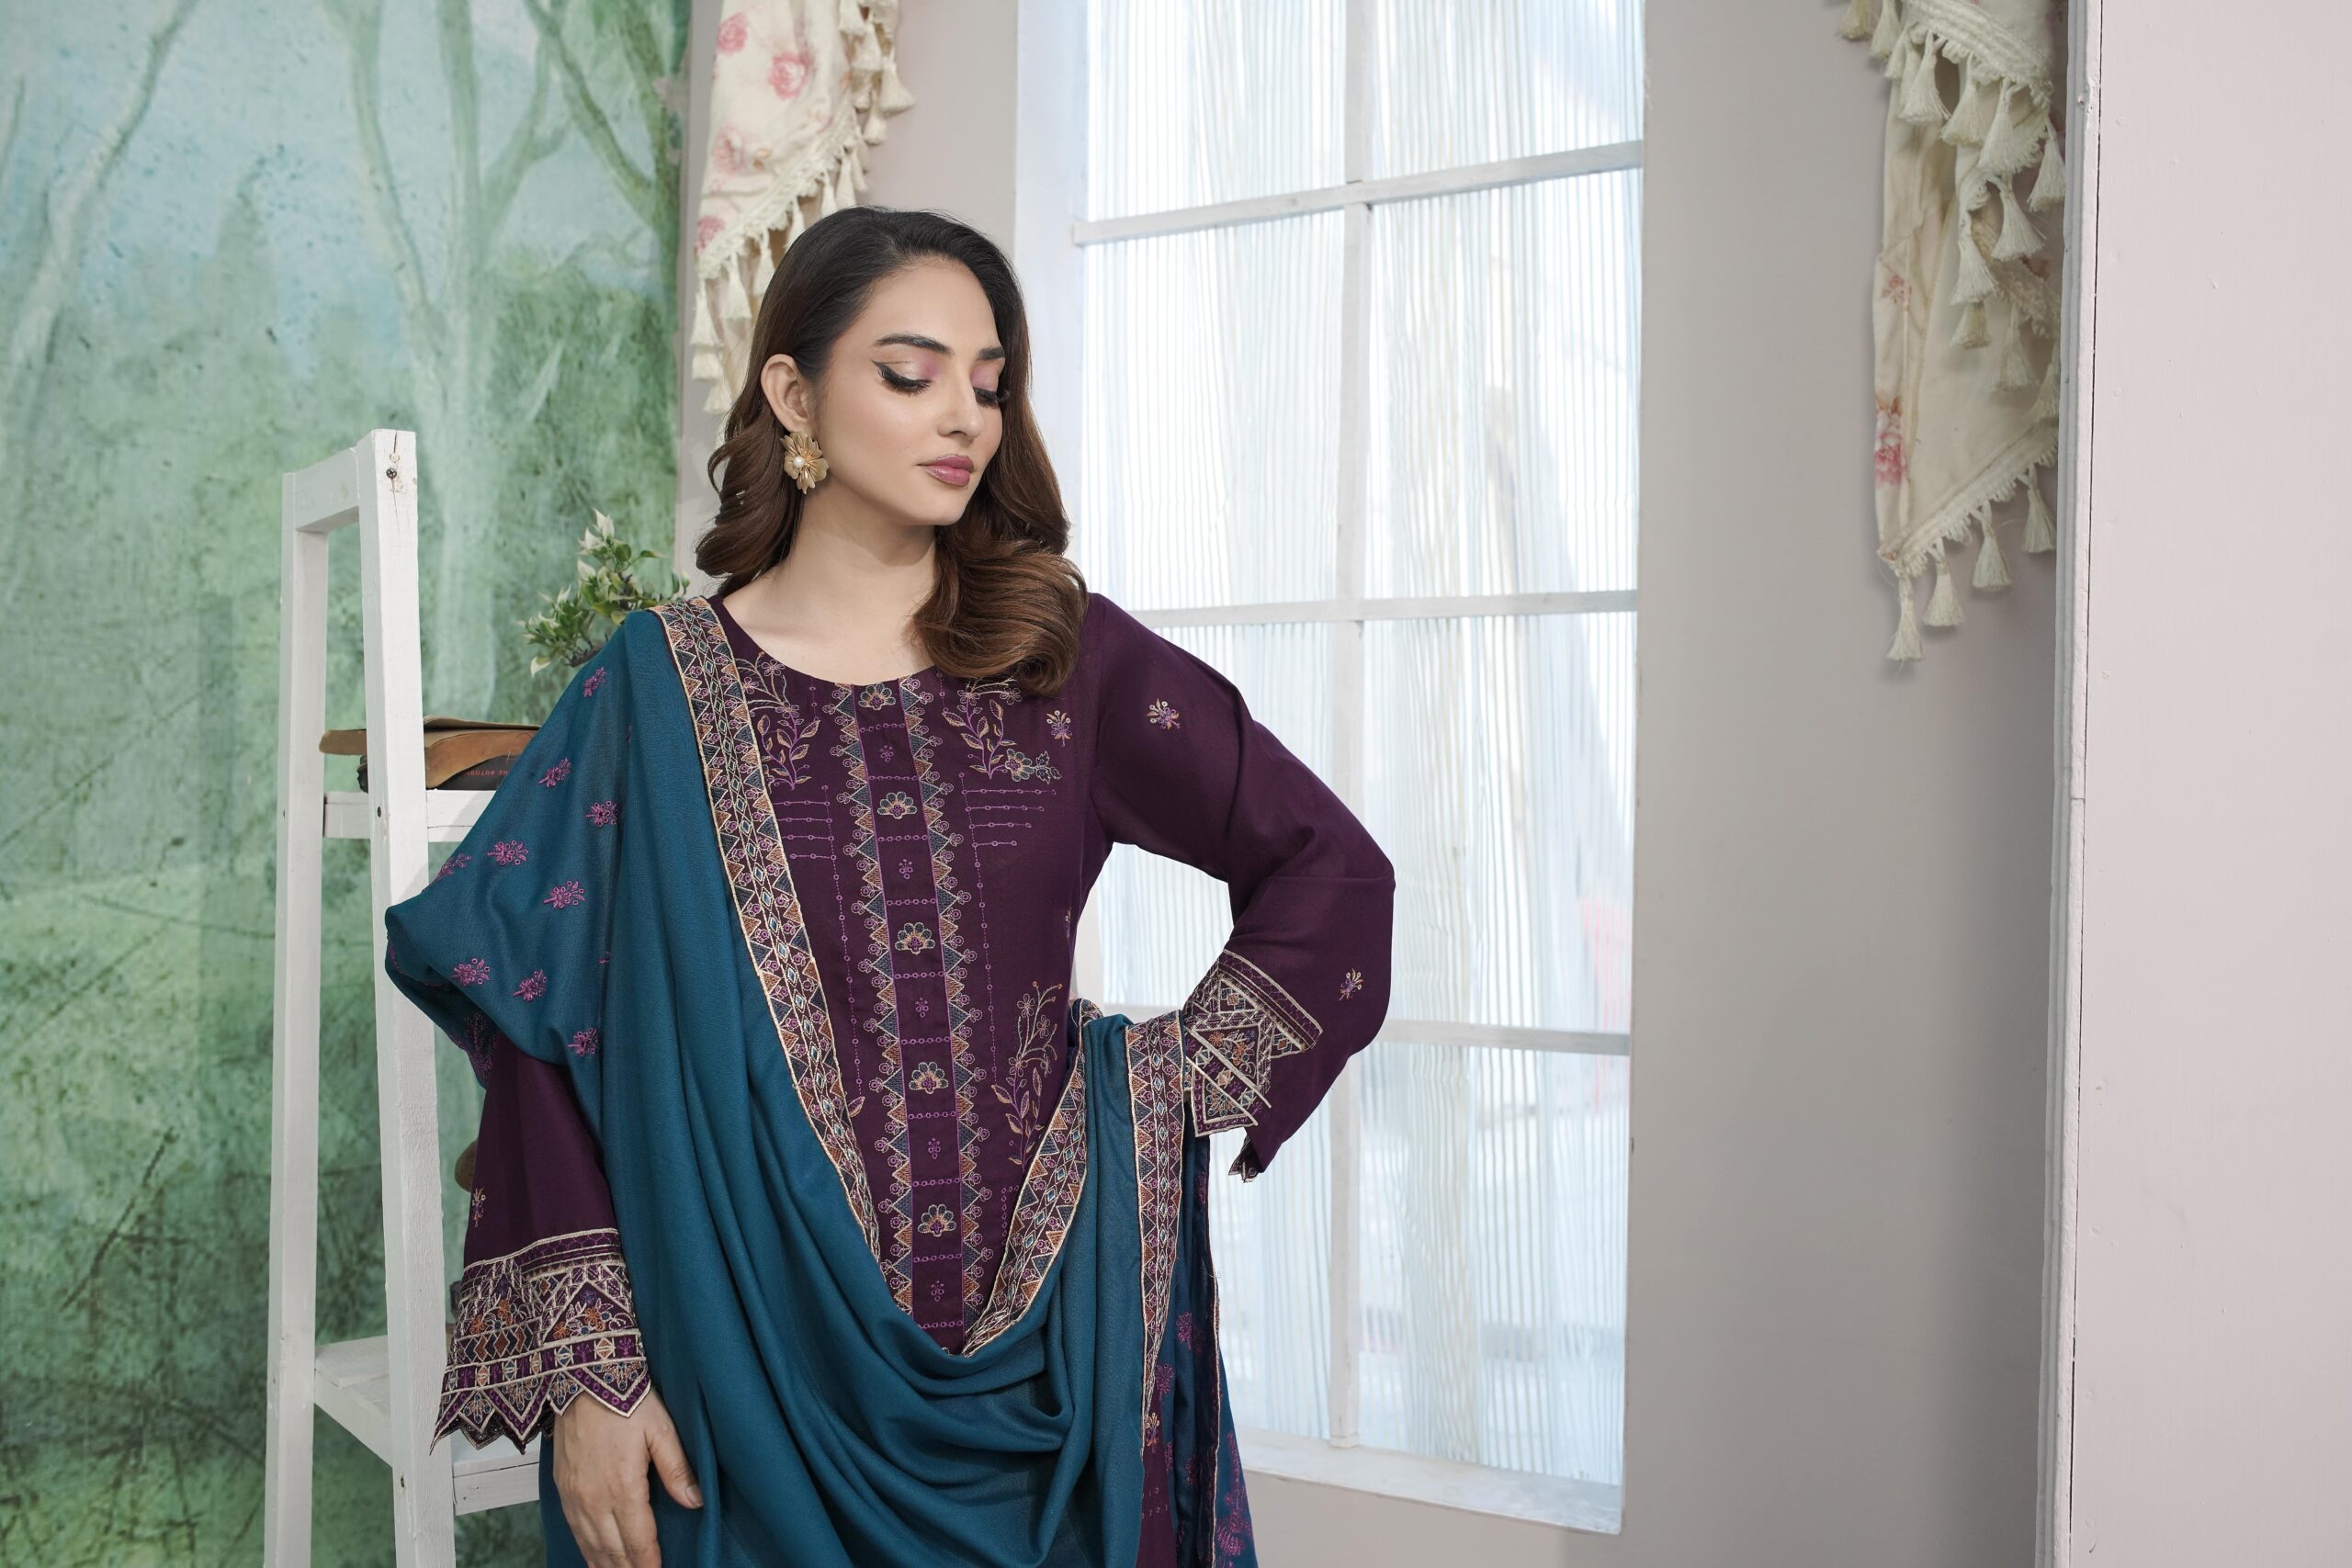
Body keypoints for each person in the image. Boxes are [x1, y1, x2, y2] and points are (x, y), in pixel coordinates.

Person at [381, 206, 1396, 1568]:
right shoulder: (652, 691)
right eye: (910, 374)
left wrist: (1168, 1089)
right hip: (735, 1382)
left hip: (1047, 1387)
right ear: (794, 394)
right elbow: (536, 1034)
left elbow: (1333, 870)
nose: (964, 415)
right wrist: (591, 1378)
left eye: (989, 381)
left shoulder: (1065, 664)